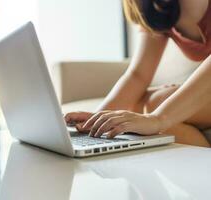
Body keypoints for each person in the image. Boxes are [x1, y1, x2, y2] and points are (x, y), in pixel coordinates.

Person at [64, 0, 211, 147]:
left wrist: (157, 119)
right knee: (135, 108)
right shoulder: (159, 9)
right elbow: (138, 75)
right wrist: (98, 119)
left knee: (156, 103)